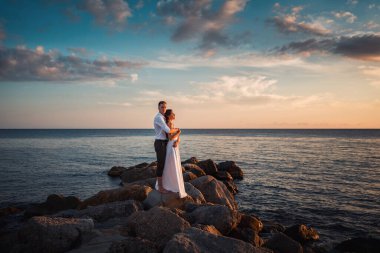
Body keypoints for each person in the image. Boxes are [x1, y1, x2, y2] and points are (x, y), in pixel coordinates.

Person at [157, 109, 187, 198]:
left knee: (174, 164)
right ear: (170, 115)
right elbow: (170, 137)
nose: (174, 115)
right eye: (173, 114)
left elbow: (177, 137)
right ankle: (169, 184)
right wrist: (178, 132)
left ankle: (174, 184)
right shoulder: (168, 124)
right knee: (170, 164)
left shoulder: (172, 124)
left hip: (175, 145)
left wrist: (178, 141)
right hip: (170, 145)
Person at [153, 101, 180, 193]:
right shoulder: (159, 118)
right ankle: (160, 187)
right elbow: (168, 130)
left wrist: (177, 138)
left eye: (165, 107)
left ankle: (165, 184)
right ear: (158, 108)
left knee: (165, 165)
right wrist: (178, 130)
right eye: (162, 107)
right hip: (160, 143)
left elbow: (169, 133)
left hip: (165, 143)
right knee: (160, 165)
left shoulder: (164, 118)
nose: (163, 109)